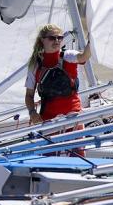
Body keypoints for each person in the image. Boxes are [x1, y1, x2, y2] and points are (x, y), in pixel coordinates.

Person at [24, 25, 92, 156]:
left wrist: (91, 39)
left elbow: (84, 56)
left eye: (59, 38)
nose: (56, 41)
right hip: (48, 120)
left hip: (73, 117)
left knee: (77, 158)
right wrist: (32, 113)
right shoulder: (35, 64)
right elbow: (29, 95)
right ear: (42, 40)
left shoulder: (68, 56)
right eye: (52, 38)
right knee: (49, 158)